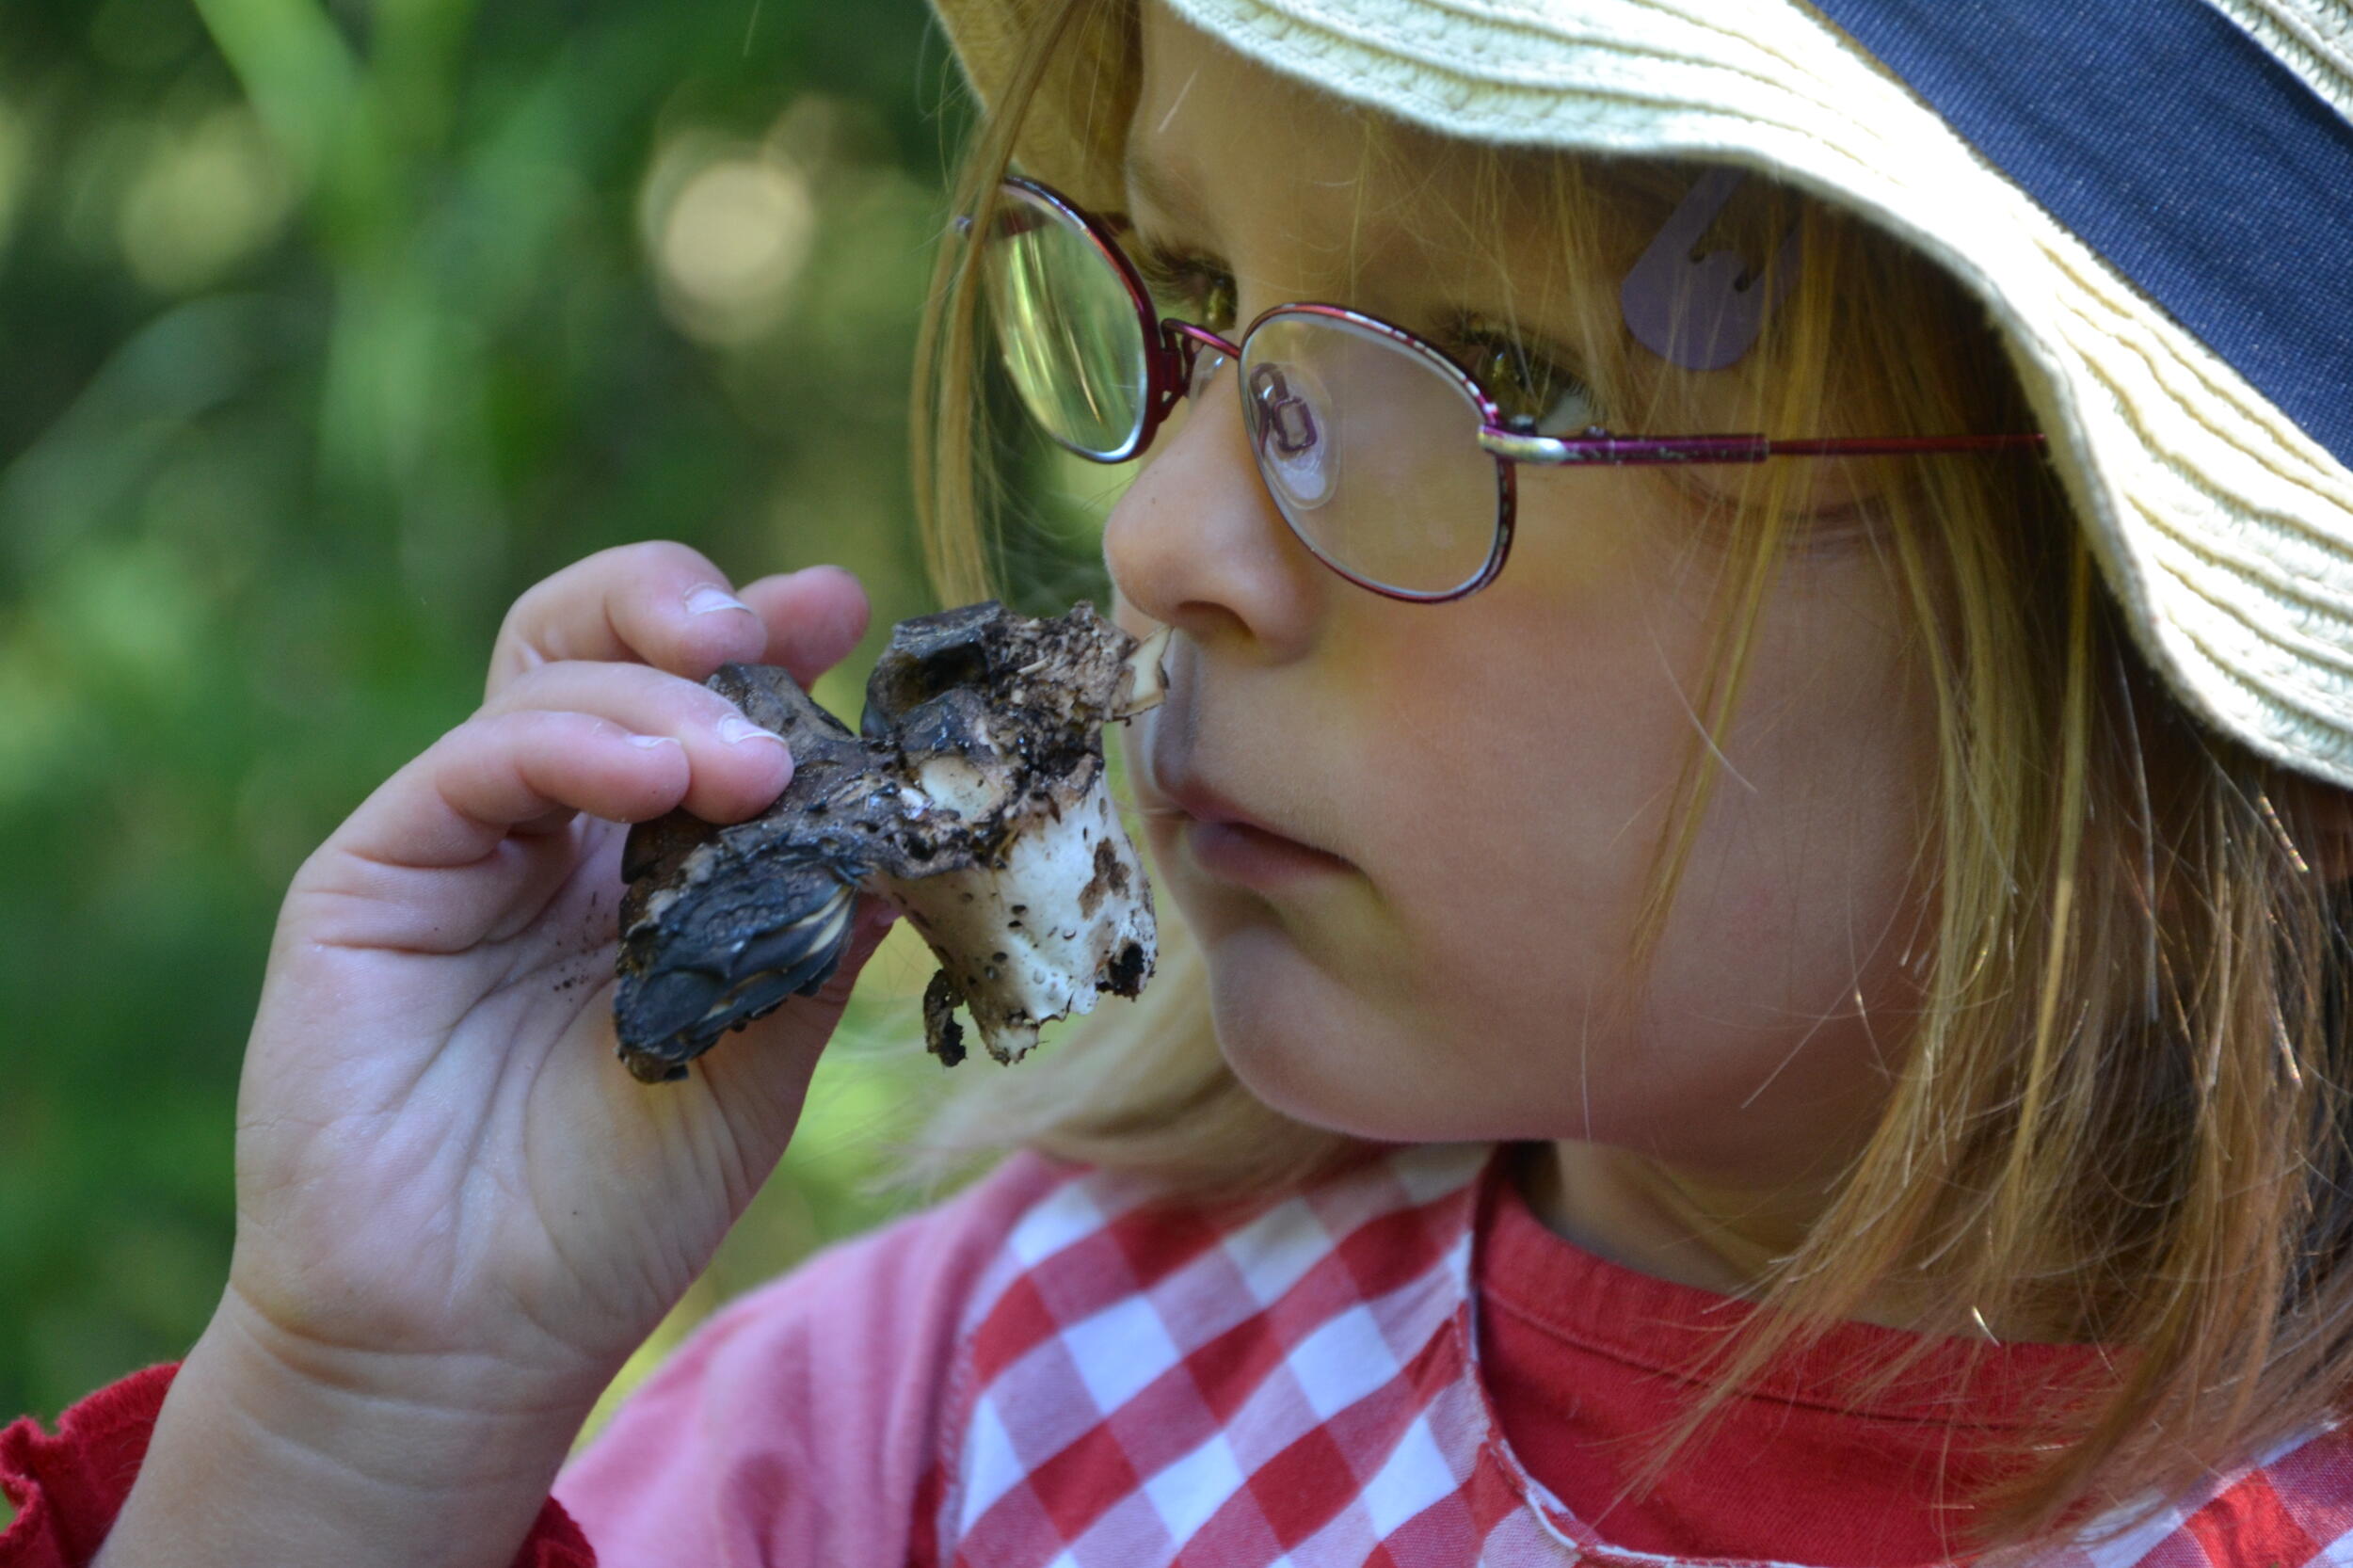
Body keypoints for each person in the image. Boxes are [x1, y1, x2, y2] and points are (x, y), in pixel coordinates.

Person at [8, 0, 2353, 1563]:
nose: (1158, 537)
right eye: (1192, 292)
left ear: (2152, 674)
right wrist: (361, 1412)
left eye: (1485, 364)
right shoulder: (948, 1429)